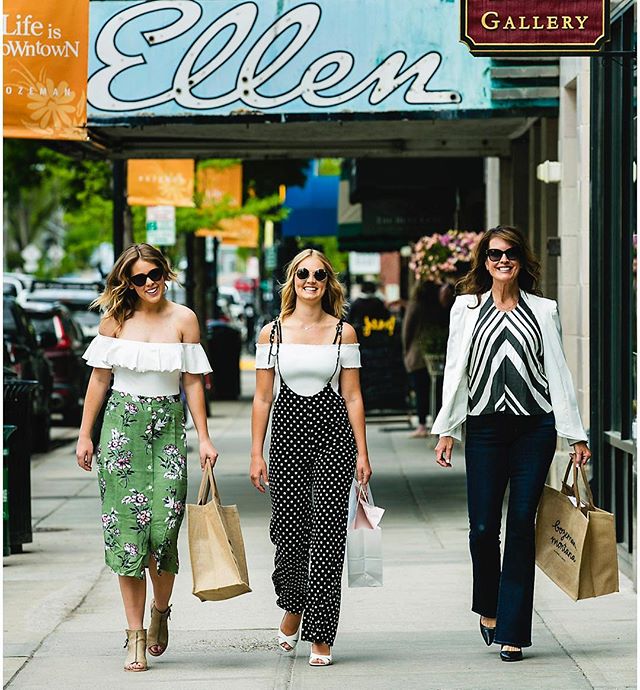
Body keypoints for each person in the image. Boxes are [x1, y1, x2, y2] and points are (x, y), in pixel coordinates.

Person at [432, 225, 591, 662]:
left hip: (533, 429)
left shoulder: (543, 309)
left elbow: (558, 371)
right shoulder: (466, 308)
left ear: (522, 260)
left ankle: (513, 629)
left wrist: (574, 432)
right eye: (495, 254)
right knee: (483, 528)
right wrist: (447, 428)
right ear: (484, 261)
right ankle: (488, 605)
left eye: (511, 253)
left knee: (521, 524)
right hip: (483, 429)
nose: (503, 260)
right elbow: (454, 372)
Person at [75, 243, 219, 672]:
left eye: (154, 273)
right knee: (127, 537)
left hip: (168, 432)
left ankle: (161, 611)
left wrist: (206, 438)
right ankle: (135, 634)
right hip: (122, 432)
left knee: (163, 533)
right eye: (139, 278)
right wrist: (86, 435)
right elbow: (99, 380)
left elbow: (193, 382)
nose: (149, 283)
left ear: (165, 272)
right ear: (127, 282)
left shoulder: (184, 319)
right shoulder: (115, 321)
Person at [250, 248, 372, 668]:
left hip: (333, 433)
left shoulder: (344, 332)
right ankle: (293, 602)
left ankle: (320, 632)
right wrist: (256, 452)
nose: (311, 279)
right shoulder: (272, 334)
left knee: (326, 536)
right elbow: (263, 396)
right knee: (288, 532)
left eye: (319, 274)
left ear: (328, 282)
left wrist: (362, 452)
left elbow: (353, 395)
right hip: (286, 434)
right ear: (292, 280)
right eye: (303, 273)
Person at [402, 282, 449, 437]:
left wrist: (406, 351)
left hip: (417, 353)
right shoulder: (440, 306)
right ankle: (438, 424)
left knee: (421, 391)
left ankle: (422, 425)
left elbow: (407, 330)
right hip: (437, 353)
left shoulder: (415, 306)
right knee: (437, 391)